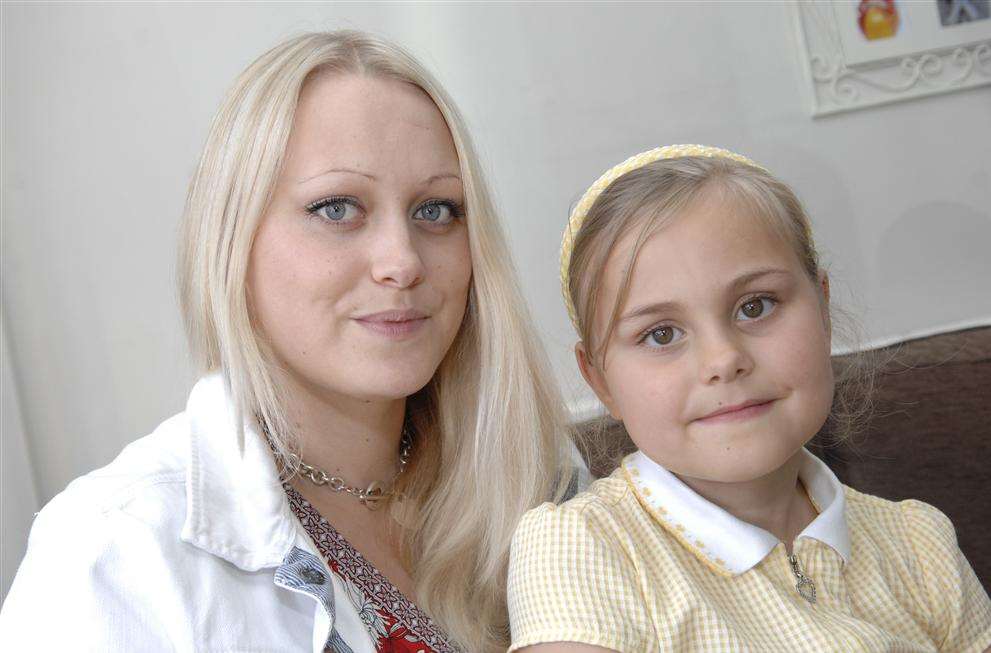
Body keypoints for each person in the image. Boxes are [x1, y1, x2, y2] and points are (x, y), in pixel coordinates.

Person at [0, 31, 576, 653]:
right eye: (337, 208)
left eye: (435, 210)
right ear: (233, 241)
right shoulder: (118, 552)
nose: (401, 261)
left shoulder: (539, 473)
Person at [506, 145, 991, 652]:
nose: (723, 359)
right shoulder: (582, 547)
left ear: (823, 310)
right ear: (600, 381)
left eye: (755, 306)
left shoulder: (921, 543)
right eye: (661, 334)